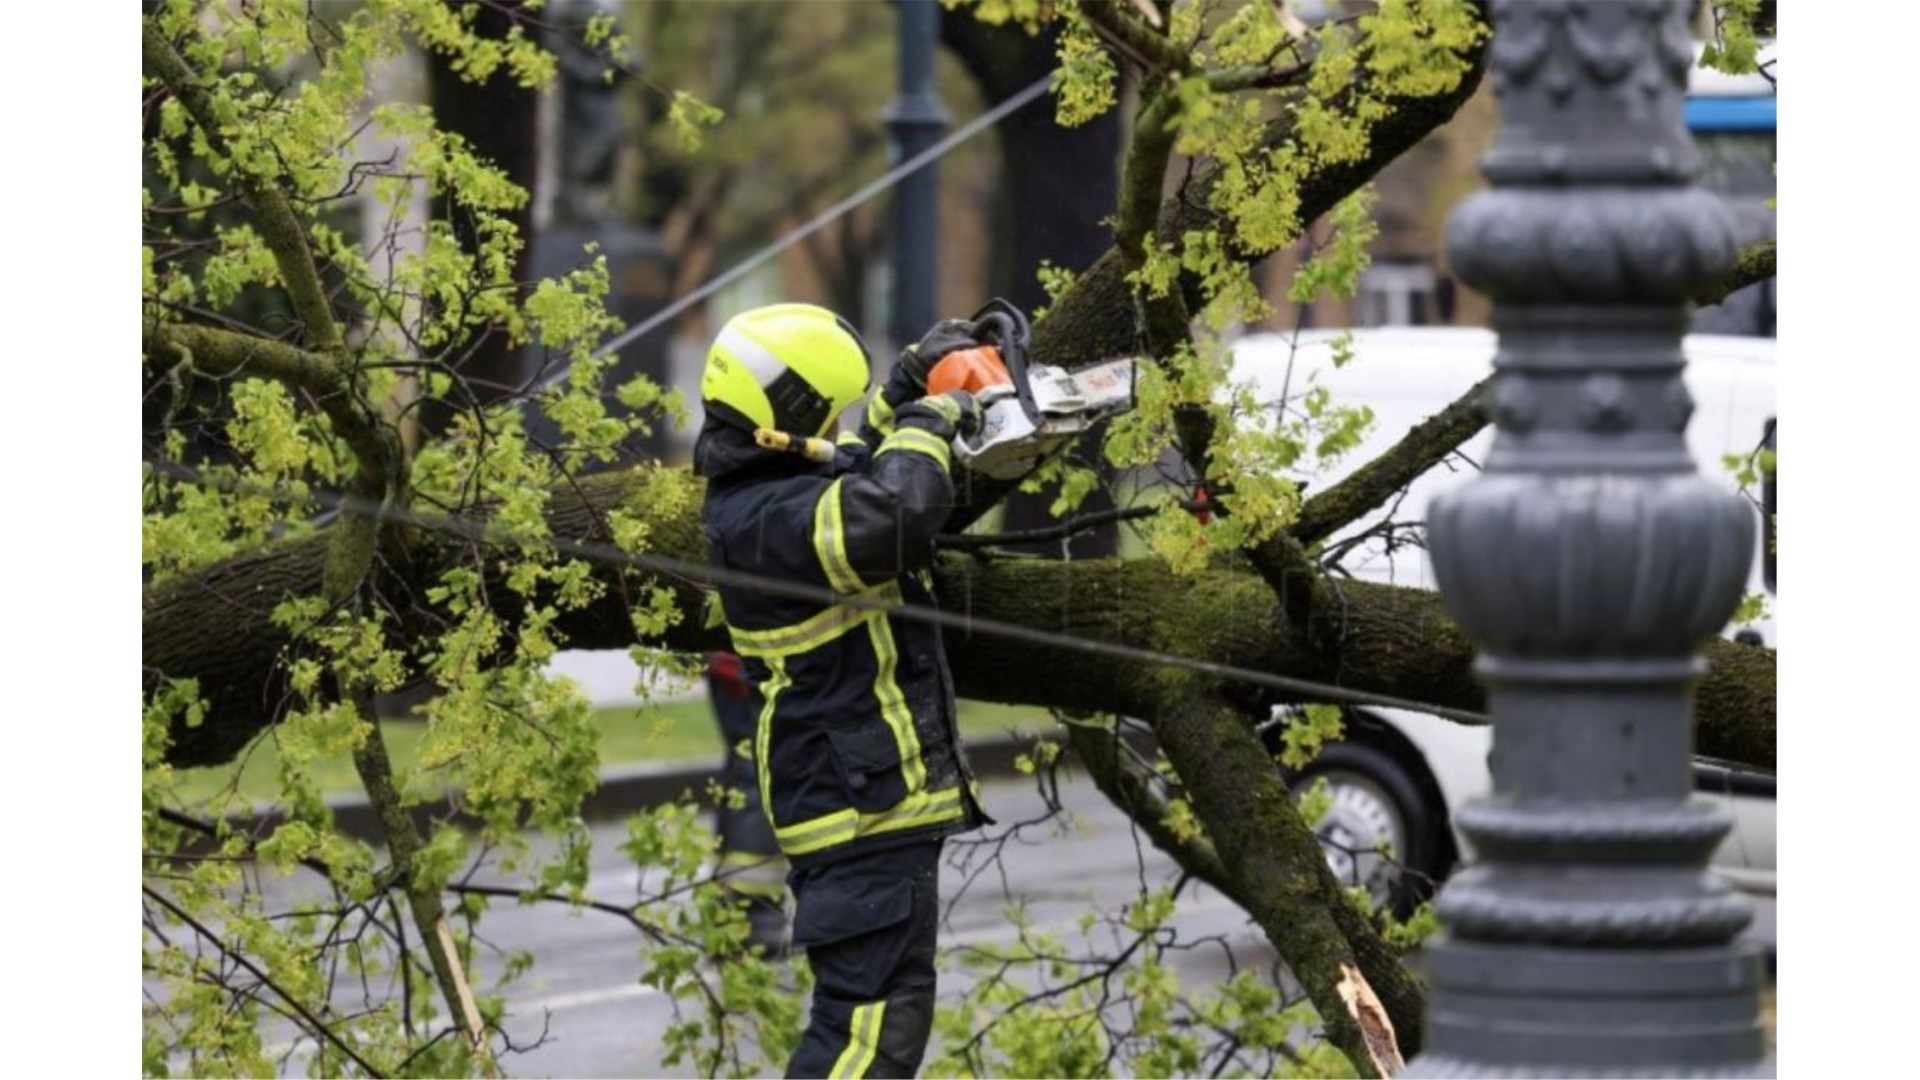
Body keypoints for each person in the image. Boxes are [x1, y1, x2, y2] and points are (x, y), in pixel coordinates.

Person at [693, 303, 989, 1079]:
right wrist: (930, 420)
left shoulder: (771, 486)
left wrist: (901, 388)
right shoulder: (763, 518)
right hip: (854, 806)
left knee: (877, 1022)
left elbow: (849, 461)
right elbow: (890, 515)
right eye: (827, 407)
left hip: (862, 802)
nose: (838, 421)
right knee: (865, 1036)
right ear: (782, 416)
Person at [704, 649, 790, 957]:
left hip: (733, 661)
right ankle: (753, 922)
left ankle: (730, 919)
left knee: (744, 769)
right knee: (757, 773)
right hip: (752, 661)